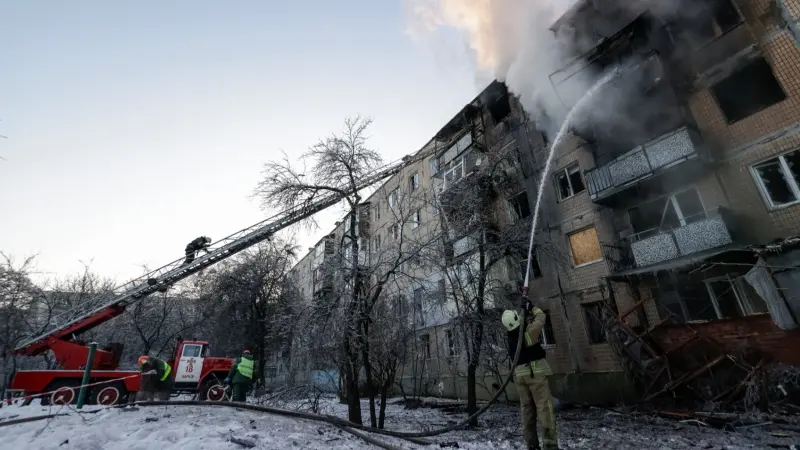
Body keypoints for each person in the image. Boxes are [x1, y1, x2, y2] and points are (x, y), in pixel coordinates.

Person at [501, 293, 560, 450]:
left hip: (520, 376)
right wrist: (531, 307)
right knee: (543, 408)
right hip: (535, 373)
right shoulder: (527, 334)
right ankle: (550, 445)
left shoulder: (512, 338)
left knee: (526, 410)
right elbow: (541, 318)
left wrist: (523, 312)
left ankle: (531, 444)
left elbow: (520, 326)